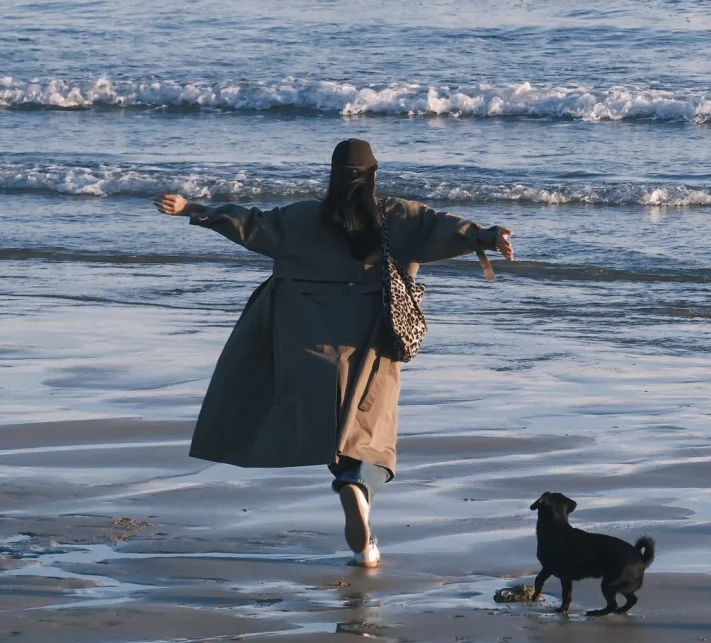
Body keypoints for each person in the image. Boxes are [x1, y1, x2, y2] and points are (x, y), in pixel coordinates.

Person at [156, 138, 513, 566]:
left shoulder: (305, 217)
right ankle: (358, 490)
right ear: (374, 176)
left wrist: (193, 209)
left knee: (333, 427)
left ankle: (358, 517)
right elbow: (439, 226)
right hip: (371, 338)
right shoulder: (394, 217)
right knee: (371, 435)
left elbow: (251, 224)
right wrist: (489, 236)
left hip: (305, 337)